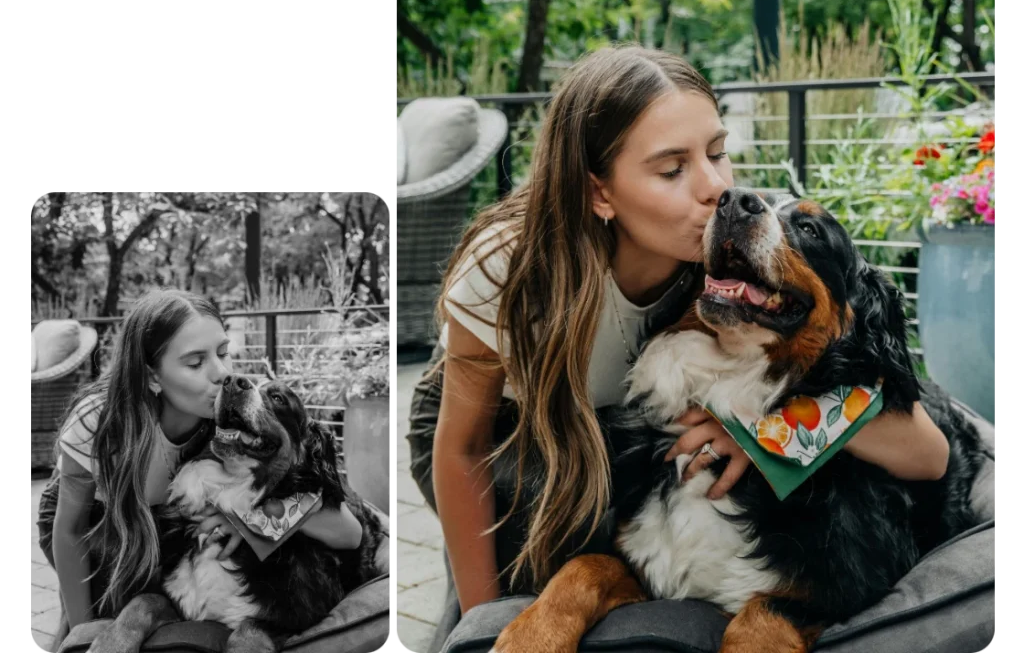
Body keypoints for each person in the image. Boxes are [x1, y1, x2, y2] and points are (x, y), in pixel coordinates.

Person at [406, 45, 950, 650]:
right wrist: (481, 622)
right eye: (672, 169)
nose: (717, 188)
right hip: (499, 423)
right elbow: (461, 447)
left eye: (717, 152)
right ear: (599, 193)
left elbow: (926, 452)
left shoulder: (718, 261)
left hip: (609, 421)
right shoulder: (508, 266)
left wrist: (762, 433)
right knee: (538, 563)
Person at [37, 289, 363, 649]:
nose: (222, 373)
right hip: (92, 520)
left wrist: (247, 519)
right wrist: (82, 633)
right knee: (102, 619)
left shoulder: (222, 421)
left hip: (157, 521)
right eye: (195, 363)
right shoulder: (98, 420)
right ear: (152, 377)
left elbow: (348, 532)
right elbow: (68, 531)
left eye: (223, 352)